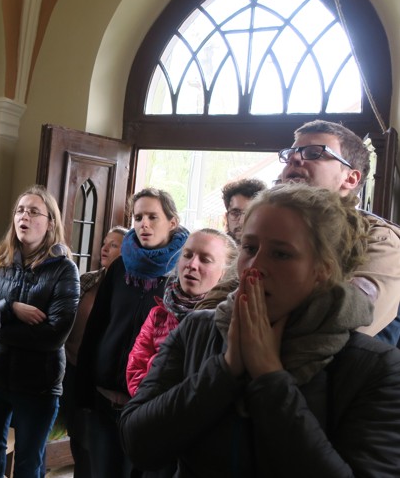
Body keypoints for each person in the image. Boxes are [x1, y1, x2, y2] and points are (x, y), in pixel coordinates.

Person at [120, 184, 400, 476]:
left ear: (323, 269)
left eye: (280, 254)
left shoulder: (375, 367)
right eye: (250, 248)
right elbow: (137, 443)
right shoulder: (197, 329)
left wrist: (269, 378)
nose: (255, 267)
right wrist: (225, 370)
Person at [76, 188, 188, 478]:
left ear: (172, 222)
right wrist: (83, 391)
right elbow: (96, 328)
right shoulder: (119, 266)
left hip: (147, 406)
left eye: (153, 217)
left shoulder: (183, 272)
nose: (144, 224)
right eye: (138, 218)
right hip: (104, 398)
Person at [0, 185, 79, 478]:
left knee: (28, 466)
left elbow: (53, 336)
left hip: (37, 385)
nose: (25, 216)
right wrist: (10, 308)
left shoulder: (64, 270)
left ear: (50, 223)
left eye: (34, 212)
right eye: (20, 210)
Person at [278, 119, 400, 343]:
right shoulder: (270, 229)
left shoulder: (379, 239)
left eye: (314, 153)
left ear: (350, 178)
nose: (294, 158)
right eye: (291, 154)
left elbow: (341, 322)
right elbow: (219, 303)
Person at [126, 228, 237, 397]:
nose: (191, 265)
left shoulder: (230, 320)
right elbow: (135, 372)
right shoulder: (159, 315)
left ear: (225, 272)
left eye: (205, 260)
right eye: (187, 255)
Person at [63, 225, 128, 478]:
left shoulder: (127, 287)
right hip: (71, 368)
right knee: (76, 436)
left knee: (94, 445)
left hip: (99, 376)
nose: (105, 248)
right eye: (105, 243)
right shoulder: (87, 280)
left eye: (114, 245)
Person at [221, 178, 266, 242]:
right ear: (226, 216)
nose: (241, 222)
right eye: (235, 213)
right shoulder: (216, 246)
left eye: (249, 214)